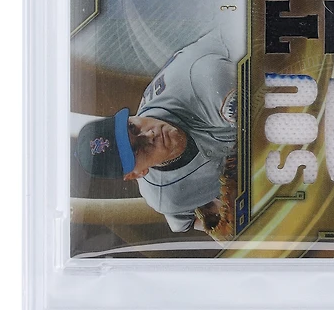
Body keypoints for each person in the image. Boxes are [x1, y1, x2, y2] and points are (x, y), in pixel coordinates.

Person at [77, 30, 237, 234]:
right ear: (137, 174)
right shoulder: (164, 196)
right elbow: (183, 221)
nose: (149, 135)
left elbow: (270, 113)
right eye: (136, 149)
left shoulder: (201, 84)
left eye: (133, 128)